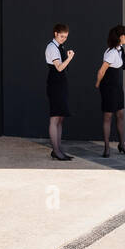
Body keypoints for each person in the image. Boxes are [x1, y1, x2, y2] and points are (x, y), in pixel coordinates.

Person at [96, 24, 125, 157]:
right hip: (109, 87)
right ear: (121, 37)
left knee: (120, 114)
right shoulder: (111, 53)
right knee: (108, 116)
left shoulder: (119, 50)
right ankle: (106, 148)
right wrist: (98, 83)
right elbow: (101, 71)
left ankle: (121, 144)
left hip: (117, 87)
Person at [45, 23, 74, 161]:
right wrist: (69, 58)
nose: (64, 39)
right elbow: (59, 68)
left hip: (61, 84)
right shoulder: (52, 47)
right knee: (55, 117)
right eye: (62, 36)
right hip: (55, 84)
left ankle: (58, 149)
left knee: (60, 117)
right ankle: (56, 150)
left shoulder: (59, 46)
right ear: (55, 33)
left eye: (66, 37)